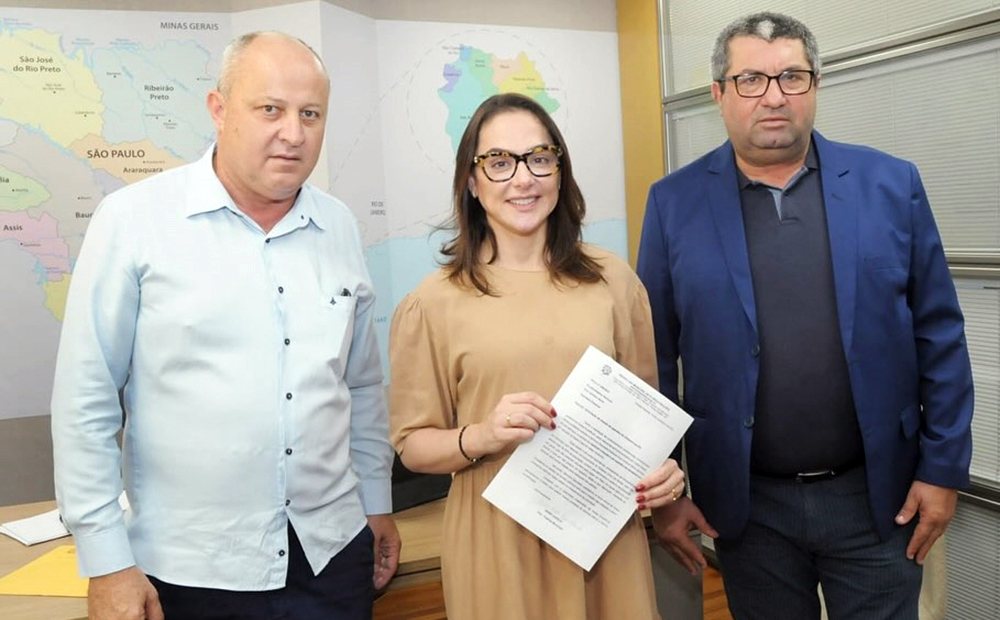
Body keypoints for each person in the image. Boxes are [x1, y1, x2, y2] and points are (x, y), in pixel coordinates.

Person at [636, 11, 974, 620]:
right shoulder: (672, 203)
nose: (774, 97)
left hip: (878, 497)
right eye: (750, 80)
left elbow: (940, 335)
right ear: (718, 93)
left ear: (815, 85)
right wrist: (666, 489)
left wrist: (944, 470)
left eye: (792, 77)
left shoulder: (890, 184)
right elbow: (653, 358)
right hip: (746, 507)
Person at [51, 31, 399, 620]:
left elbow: (360, 385)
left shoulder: (338, 225)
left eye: (310, 114)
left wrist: (376, 502)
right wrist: (106, 561)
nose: (293, 133)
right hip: (190, 571)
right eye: (270, 109)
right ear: (219, 110)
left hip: (332, 556)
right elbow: (85, 401)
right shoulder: (134, 221)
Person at [388, 92, 684, 620]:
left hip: (604, 538)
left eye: (539, 158)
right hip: (496, 544)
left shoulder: (614, 283)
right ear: (471, 181)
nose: (523, 178)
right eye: (499, 162)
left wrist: (664, 474)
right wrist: (482, 435)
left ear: (559, 172)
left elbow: (645, 422)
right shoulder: (432, 303)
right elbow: (413, 445)